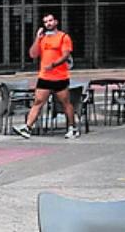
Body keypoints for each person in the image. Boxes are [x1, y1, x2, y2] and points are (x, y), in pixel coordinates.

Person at [12, 11, 78, 140]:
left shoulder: (63, 37)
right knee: (38, 102)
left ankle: (72, 127)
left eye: (50, 21)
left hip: (60, 76)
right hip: (44, 77)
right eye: (46, 22)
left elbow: (65, 55)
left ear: (56, 22)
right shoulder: (43, 38)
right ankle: (28, 127)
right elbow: (33, 54)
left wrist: (53, 65)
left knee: (65, 103)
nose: (48, 23)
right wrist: (38, 38)